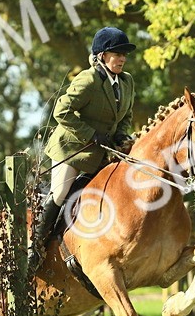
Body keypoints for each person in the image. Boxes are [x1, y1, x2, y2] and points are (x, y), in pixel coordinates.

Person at [32, 26, 137, 263]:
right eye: (117, 54)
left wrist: (121, 135)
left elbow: (127, 114)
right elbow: (62, 111)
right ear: (102, 56)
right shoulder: (88, 79)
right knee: (60, 193)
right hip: (71, 149)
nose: (122, 59)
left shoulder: (127, 81)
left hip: (100, 152)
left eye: (124, 54)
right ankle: (34, 246)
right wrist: (91, 134)